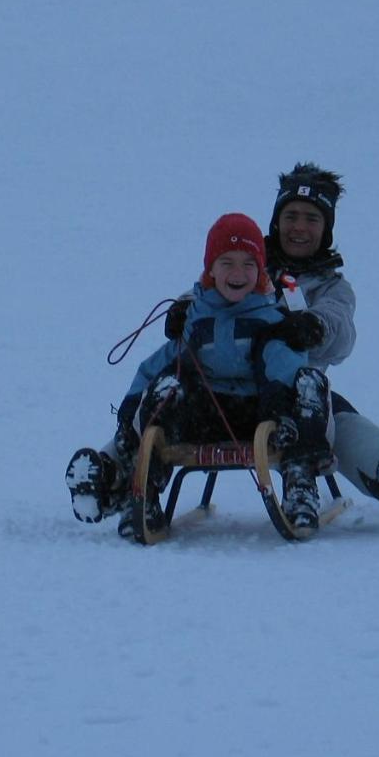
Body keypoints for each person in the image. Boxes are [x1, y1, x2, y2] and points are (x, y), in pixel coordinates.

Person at [167, 163, 379, 512]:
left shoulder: (333, 287)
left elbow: (340, 327)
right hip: (219, 395)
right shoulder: (247, 264)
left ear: (326, 229)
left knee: (331, 410)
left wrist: (313, 326)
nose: (299, 227)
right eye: (292, 216)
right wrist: (182, 309)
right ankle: (109, 474)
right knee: (160, 396)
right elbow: (205, 292)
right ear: (276, 221)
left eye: (312, 219)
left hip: (295, 402)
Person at [66, 213, 333, 536]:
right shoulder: (196, 319)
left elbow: (286, 363)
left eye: (249, 264)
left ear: (261, 270)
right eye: (227, 263)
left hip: (262, 417)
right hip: (206, 416)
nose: (238, 273)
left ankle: (300, 485)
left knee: (309, 382)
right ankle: (143, 495)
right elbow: (159, 364)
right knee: (165, 388)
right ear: (210, 269)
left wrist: (277, 404)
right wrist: (131, 408)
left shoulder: (270, 317)